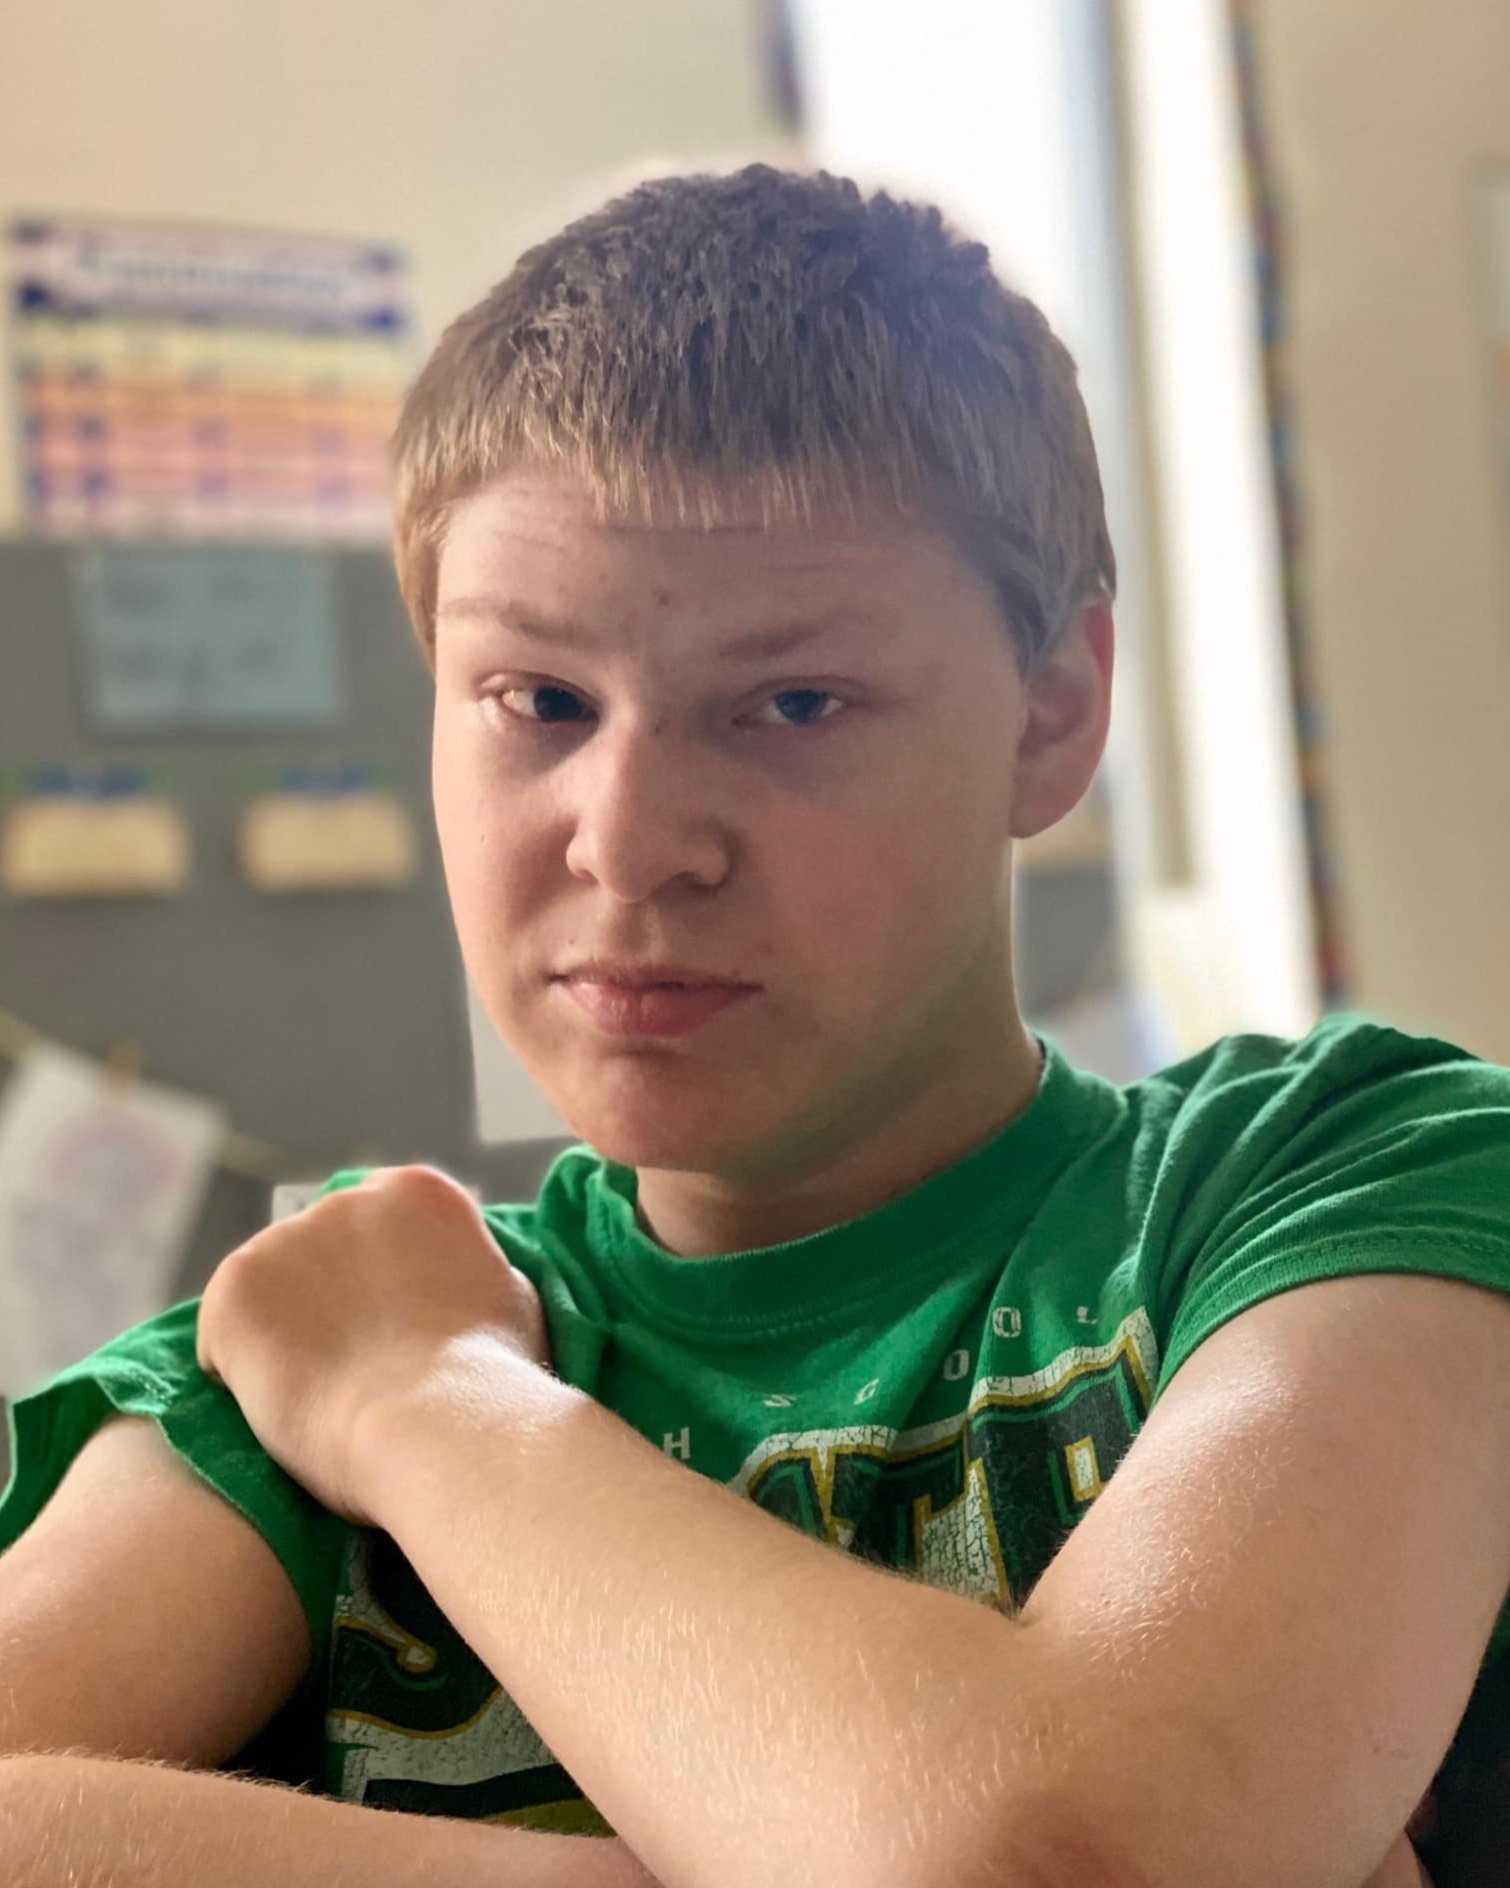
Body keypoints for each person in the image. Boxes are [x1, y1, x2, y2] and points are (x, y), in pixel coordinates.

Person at [1, 163, 1506, 1888]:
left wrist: (426, 1405)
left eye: (793, 702)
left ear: (1053, 712)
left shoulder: (1333, 1183)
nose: (629, 840)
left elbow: (1074, 1860)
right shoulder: (309, 1325)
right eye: (536, 701)